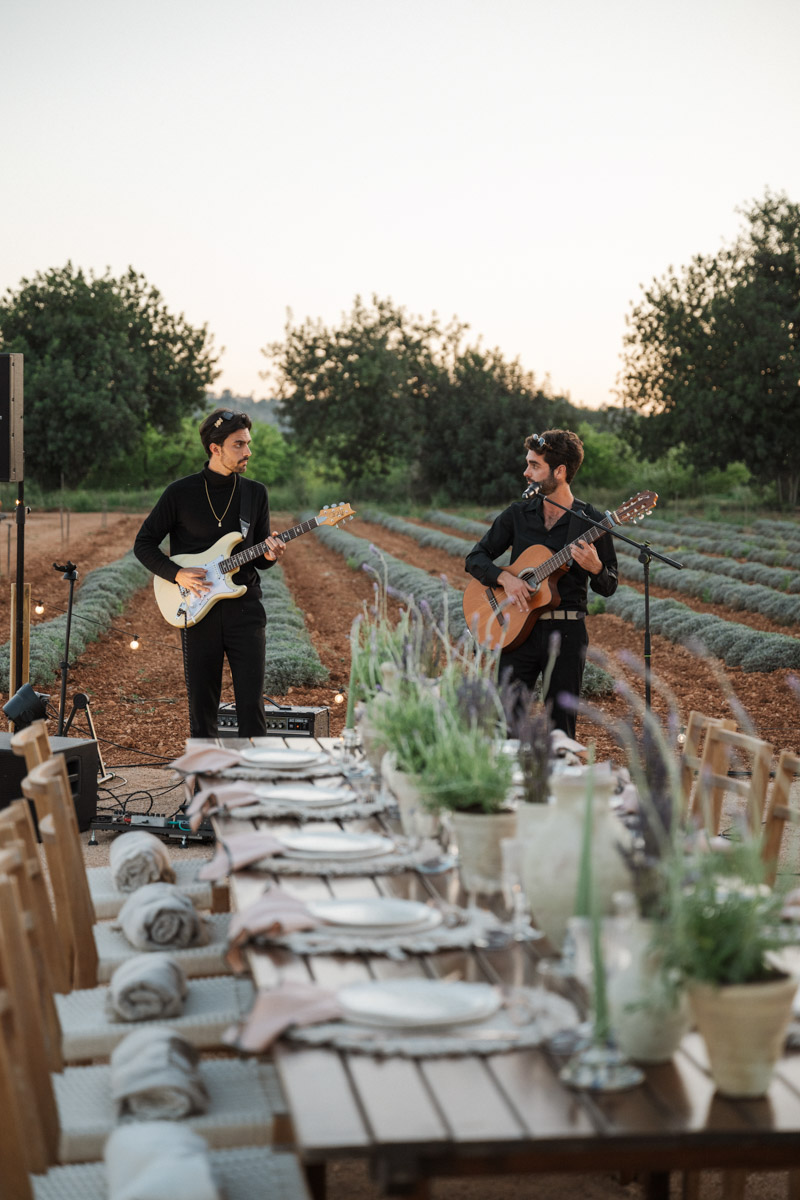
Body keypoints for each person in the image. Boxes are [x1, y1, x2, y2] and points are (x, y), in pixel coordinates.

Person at [134, 408, 286, 738]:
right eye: (238, 444)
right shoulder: (179, 493)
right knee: (202, 712)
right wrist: (176, 574)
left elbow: (258, 557)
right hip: (197, 612)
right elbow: (144, 544)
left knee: (252, 708)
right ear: (215, 448)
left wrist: (270, 554)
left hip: (245, 611)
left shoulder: (255, 493)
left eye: (248, 443)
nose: (248, 451)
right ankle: (205, 785)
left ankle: (252, 784)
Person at [464, 429, 618, 737]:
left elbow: (608, 584)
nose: (526, 471)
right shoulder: (518, 514)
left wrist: (596, 566)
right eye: (528, 463)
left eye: (534, 465)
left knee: (560, 730)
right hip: (517, 630)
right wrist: (505, 578)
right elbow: (475, 558)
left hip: (566, 634)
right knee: (506, 724)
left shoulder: (592, 522)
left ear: (559, 472)